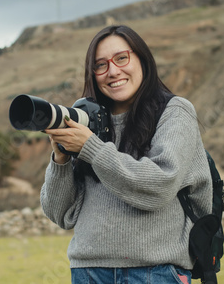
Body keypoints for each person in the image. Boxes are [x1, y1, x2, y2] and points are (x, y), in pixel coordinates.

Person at [41, 25, 213, 284]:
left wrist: (91, 148)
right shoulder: (87, 123)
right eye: (100, 65)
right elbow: (60, 214)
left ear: (142, 59)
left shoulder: (175, 112)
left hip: (155, 272)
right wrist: (61, 161)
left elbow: (159, 185)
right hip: (88, 273)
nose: (112, 71)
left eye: (121, 58)